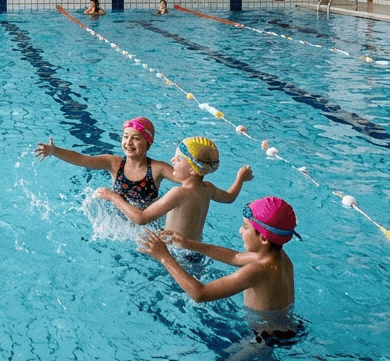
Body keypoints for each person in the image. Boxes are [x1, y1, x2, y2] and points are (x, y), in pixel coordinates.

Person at [137, 196, 298, 319]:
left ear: (263, 238)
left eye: (245, 227)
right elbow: (235, 256)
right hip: (286, 325)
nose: (240, 231)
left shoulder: (257, 270)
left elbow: (200, 294)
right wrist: (187, 243)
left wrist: (164, 257)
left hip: (264, 338)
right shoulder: (277, 256)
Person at [96, 137, 253, 243]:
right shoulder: (208, 188)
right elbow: (229, 197)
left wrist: (113, 197)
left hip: (176, 254)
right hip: (196, 250)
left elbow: (141, 218)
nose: (172, 160)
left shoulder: (178, 193)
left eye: (178, 159)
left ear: (192, 169)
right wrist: (240, 179)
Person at [34, 117, 176, 209]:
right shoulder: (113, 163)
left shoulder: (158, 168)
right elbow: (82, 159)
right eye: (126, 137)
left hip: (145, 220)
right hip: (118, 217)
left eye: (136, 138)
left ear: (148, 144)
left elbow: (187, 180)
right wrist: (54, 151)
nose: (129, 142)